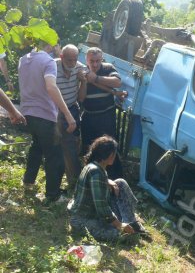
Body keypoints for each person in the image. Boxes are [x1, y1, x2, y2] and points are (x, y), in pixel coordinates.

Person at [18, 41, 77, 203]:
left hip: (27, 113)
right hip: (44, 115)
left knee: (36, 147)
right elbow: (51, 87)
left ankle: (28, 181)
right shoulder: (48, 61)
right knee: (55, 156)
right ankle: (53, 195)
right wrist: (68, 114)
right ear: (50, 44)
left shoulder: (23, 59)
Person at [68, 135, 148, 241]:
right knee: (125, 237)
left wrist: (107, 180)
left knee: (120, 183)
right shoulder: (96, 172)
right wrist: (119, 225)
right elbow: (102, 207)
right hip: (84, 219)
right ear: (109, 154)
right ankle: (125, 227)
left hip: (95, 213)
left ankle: (132, 221)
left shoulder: (96, 167)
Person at [82, 47, 123, 180]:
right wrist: (84, 80)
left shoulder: (107, 68)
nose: (94, 64)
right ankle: (91, 178)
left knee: (109, 148)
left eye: (97, 61)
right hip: (89, 116)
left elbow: (117, 82)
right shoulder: (81, 71)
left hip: (106, 116)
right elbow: (80, 98)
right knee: (90, 149)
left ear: (102, 59)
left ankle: (114, 179)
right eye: (91, 61)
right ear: (86, 60)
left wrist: (96, 78)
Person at [56, 44, 87, 189]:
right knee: (60, 143)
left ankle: (72, 180)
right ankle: (67, 179)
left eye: (75, 60)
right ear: (61, 57)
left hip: (72, 108)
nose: (72, 63)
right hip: (55, 110)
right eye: (69, 60)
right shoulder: (52, 67)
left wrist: (83, 81)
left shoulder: (80, 68)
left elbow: (81, 98)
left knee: (72, 144)